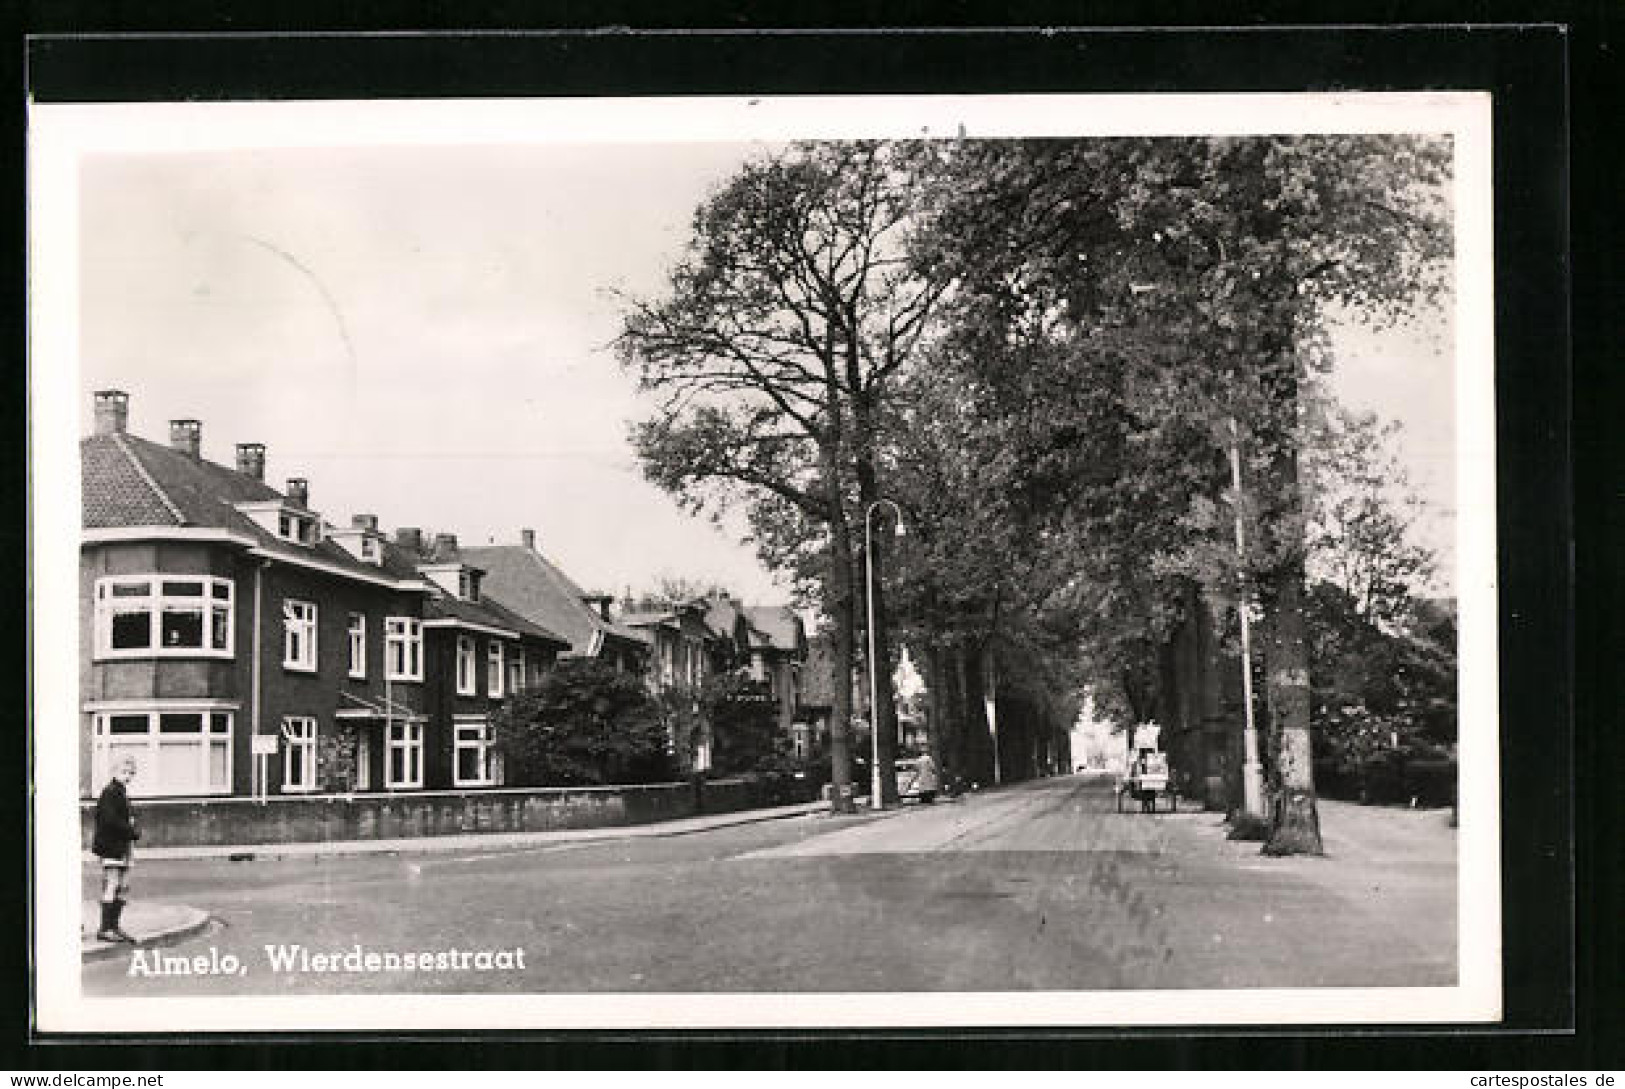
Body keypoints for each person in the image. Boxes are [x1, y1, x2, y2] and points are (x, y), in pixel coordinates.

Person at [92, 757, 140, 943]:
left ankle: (114, 926)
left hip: (122, 846)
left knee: (122, 886)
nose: (127, 776)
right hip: (112, 846)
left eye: (131, 773)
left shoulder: (120, 792)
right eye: (124, 772)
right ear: (114, 772)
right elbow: (109, 820)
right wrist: (132, 830)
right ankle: (105, 929)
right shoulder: (110, 792)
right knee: (112, 884)